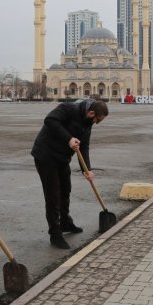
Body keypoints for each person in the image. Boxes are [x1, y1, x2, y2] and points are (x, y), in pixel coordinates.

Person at [31, 99, 109, 249]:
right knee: (53, 195)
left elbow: (84, 146)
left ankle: (65, 222)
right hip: (45, 156)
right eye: (97, 119)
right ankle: (55, 234)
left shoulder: (88, 123)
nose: (97, 123)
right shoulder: (69, 108)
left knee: (65, 190)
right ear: (91, 113)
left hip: (62, 159)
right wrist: (68, 138)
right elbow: (50, 120)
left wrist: (87, 169)